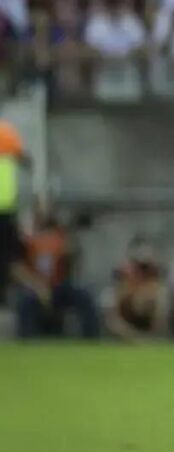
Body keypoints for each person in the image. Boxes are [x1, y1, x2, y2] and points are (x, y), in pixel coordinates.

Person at [13, 209, 100, 339]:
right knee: (25, 302)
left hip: (60, 286)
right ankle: (27, 340)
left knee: (85, 298)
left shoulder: (61, 238)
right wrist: (38, 287)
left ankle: (91, 339)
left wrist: (70, 248)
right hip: (36, 287)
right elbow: (17, 269)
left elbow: (71, 260)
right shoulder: (29, 241)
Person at [106, 236, 166, 340]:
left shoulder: (153, 274)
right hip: (127, 316)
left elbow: (155, 301)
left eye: (143, 267)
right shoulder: (125, 273)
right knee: (110, 308)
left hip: (146, 317)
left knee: (160, 297)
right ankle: (135, 338)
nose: (140, 270)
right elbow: (118, 302)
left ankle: (150, 338)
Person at [0, 120, 26, 304]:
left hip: (7, 210)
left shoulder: (7, 132)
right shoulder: (8, 132)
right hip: (7, 210)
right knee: (8, 256)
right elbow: (23, 158)